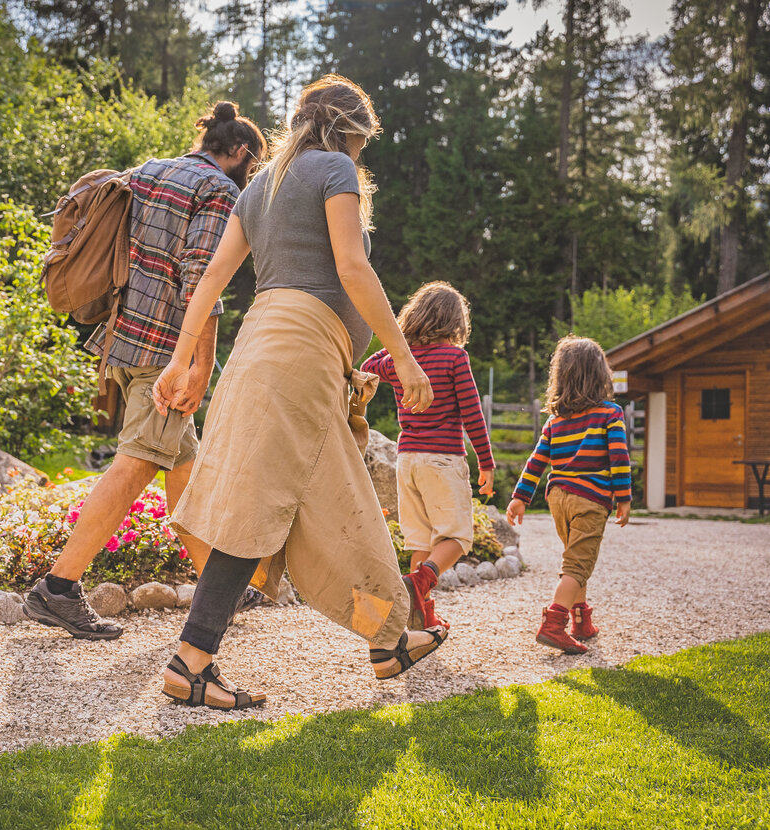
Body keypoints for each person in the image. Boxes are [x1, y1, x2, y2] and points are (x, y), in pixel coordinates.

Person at [150, 75, 448, 710]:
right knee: (254, 513)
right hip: (300, 359)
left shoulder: (262, 185)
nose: (361, 154)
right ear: (350, 131)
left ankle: (386, 639)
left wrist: (181, 361)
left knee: (341, 502)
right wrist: (405, 359)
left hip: (261, 349)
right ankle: (191, 661)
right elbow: (351, 266)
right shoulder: (336, 170)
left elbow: (212, 281)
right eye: (363, 142)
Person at [24, 101, 267, 640]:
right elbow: (200, 278)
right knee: (136, 464)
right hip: (166, 352)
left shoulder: (145, 171)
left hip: (122, 337)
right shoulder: (220, 190)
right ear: (241, 153)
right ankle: (57, 589)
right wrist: (199, 364)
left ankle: (214, 590)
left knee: (183, 466)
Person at [360, 282, 495, 632]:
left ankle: (421, 619)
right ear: (455, 323)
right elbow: (472, 414)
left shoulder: (403, 360)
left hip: (407, 460)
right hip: (443, 459)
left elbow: (369, 366)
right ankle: (419, 584)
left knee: (420, 541)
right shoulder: (455, 358)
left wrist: (398, 345)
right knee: (457, 538)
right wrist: (486, 461)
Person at [505, 335, 632, 654]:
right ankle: (554, 624)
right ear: (600, 375)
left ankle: (581, 621)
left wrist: (520, 496)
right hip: (590, 498)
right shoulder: (610, 413)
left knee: (576, 559)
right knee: (577, 565)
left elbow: (537, 460)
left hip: (558, 498)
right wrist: (625, 497)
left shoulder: (556, 420)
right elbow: (618, 457)